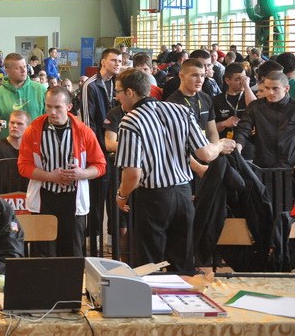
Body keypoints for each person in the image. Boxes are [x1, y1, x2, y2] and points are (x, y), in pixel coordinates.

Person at [114, 68, 236, 273]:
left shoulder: (130, 120)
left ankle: (151, 294)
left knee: (149, 265)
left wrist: (121, 195)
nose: (116, 98)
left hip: (152, 197)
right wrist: (221, 144)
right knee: (182, 263)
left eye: (118, 92)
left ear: (130, 92)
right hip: (183, 195)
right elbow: (206, 153)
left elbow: (133, 174)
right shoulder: (180, 111)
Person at [18, 87, 106, 257]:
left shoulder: (84, 131)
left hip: (73, 198)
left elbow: (100, 165)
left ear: (69, 107)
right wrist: (50, 177)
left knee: (72, 253)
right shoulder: (33, 130)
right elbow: (23, 166)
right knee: (43, 254)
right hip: (44, 198)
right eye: (48, 106)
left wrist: (82, 174)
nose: (52, 112)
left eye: (57, 107)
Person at [79, 47, 121, 254]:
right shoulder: (91, 85)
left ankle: (113, 238)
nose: (118, 64)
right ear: (103, 62)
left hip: (118, 148)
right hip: (99, 151)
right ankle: (93, 239)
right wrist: (98, 151)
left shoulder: (120, 84)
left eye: (120, 61)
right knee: (97, 197)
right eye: (114, 60)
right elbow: (88, 124)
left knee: (116, 195)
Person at [234, 71, 295, 169]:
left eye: (275, 88)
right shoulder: (255, 106)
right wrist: (238, 145)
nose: (270, 92)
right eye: (267, 88)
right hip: (262, 165)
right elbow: (243, 128)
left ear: (286, 88)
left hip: (290, 166)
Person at [0, 53, 45, 141]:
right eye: (18, 68)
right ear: (7, 71)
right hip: (6, 146)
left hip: (36, 144)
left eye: (24, 66)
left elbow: (49, 120)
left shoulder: (41, 90)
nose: (23, 71)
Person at [213, 63, 256, 140]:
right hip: (225, 140)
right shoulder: (216, 100)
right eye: (238, 79)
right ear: (227, 81)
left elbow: (255, 109)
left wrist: (247, 86)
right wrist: (224, 123)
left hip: (248, 141)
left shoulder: (250, 95)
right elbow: (211, 130)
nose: (242, 82)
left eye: (244, 78)